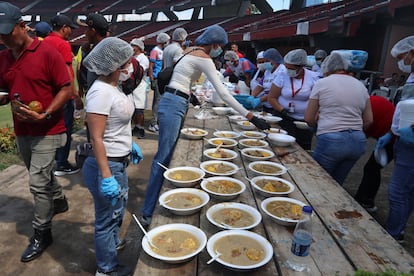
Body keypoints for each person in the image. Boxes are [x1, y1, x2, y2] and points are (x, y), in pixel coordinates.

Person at [139, 25, 270, 226]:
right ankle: (148, 212)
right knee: (163, 157)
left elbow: (181, 77)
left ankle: (157, 203)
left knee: (169, 154)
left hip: (175, 100)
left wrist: (189, 95)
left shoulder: (190, 50)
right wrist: (250, 116)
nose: (220, 51)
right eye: (220, 47)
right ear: (215, 44)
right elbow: (224, 94)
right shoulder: (203, 57)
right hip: (173, 104)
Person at [0, 2, 72, 262]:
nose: (3, 38)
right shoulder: (4, 57)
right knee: (39, 174)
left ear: (22, 26)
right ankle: (60, 200)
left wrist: (46, 113)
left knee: (37, 182)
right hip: (22, 129)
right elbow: (6, 88)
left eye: (7, 32)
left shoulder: (48, 52)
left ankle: (42, 232)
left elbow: (66, 88)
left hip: (49, 128)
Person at [82, 37, 138, 276]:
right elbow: (96, 138)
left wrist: (129, 145)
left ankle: (112, 244)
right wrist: (106, 175)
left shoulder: (113, 87)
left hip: (118, 160)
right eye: (127, 62)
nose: (130, 67)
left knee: (117, 210)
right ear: (115, 65)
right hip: (107, 165)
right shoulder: (100, 92)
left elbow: (116, 126)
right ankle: (106, 269)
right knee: (105, 218)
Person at [304, 52, 373, 185]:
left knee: (319, 183)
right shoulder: (361, 85)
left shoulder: (322, 83)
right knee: (337, 185)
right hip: (357, 141)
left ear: (327, 68)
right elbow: (369, 120)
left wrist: (319, 127)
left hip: (331, 139)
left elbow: (308, 118)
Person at [377, 35, 414, 243]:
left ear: (412, 53)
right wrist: (391, 133)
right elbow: (405, 109)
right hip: (402, 138)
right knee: (407, 191)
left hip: (411, 143)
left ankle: (393, 235)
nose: (402, 63)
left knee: (398, 192)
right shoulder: (410, 78)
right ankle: (398, 227)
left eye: (402, 58)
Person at [44, 14, 82, 176]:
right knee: (64, 129)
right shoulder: (62, 44)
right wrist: (76, 95)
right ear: (64, 28)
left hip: (47, 94)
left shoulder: (44, 42)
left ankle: (51, 161)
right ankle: (62, 163)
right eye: (70, 28)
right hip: (62, 94)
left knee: (49, 129)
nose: (70, 32)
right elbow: (67, 73)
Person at [268, 49, 319, 150]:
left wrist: (314, 118)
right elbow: (272, 97)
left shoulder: (313, 77)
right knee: (282, 146)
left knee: (303, 147)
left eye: (291, 68)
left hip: (304, 122)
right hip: (284, 117)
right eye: (286, 67)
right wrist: (282, 110)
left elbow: (319, 101)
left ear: (301, 66)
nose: (288, 70)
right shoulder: (282, 75)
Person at [354, 95, 395, 212]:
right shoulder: (364, 101)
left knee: (372, 168)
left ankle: (366, 201)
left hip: (394, 136)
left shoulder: (360, 108)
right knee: (373, 168)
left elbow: (361, 130)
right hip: (389, 132)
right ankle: (364, 199)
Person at [148, 32, 170, 134]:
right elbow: (151, 66)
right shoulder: (155, 51)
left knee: (161, 101)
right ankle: (153, 123)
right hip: (156, 78)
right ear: (163, 41)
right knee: (157, 101)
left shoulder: (164, 51)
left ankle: (158, 121)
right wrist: (152, 78)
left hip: (162, 78)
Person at [130, 38, 149, 139]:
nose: (132, 47)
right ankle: (136, 126)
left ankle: (141, 128)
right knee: (132, 108)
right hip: (132, 85)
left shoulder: (143, 58)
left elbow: (139, 72)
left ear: (139, 47)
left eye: (133, 45)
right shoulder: (132, 57)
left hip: (140, 85)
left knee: (139, 109)